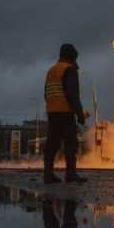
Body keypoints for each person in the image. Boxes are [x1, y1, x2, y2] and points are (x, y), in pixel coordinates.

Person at [44, 43, 88, 184]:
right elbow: (72, 95)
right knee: (71, 144)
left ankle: (48, 175)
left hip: (52, 112)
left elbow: (46, 93)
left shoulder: (51, 71)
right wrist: (80, 115)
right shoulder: (69, 70)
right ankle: (70, 174)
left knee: (52, 144)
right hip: (65, 112)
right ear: (71, 56)